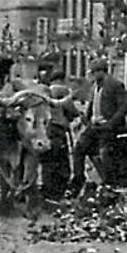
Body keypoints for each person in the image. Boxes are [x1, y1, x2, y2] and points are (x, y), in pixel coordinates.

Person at [70, 60, 127, 197]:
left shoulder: (115, 85)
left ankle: (109, 186)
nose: (92, 75)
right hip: (94, 126)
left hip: (109, 128)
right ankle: (78, 181)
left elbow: (123, 107)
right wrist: (85, 117)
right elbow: (91, 107)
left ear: (101, 71)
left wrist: (111, 123)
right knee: (79, 148)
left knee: (105, 154)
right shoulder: (93, 87)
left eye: (94, 72)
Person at [41, 70, 78, 201]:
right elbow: (71, 110)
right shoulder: (63, 90)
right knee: (61, 162)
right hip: (58, 129)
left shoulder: (43, 91)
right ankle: (58, 192)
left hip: (46, 130)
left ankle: (47, 190)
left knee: (48, 161)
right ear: (62, 79)